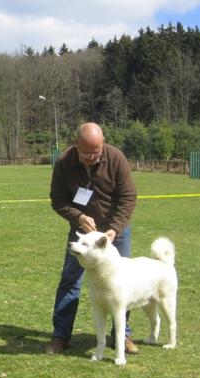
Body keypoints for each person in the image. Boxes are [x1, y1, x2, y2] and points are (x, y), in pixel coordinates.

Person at [46, 122, 138, 355]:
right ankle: (61, 335)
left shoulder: (116, 158)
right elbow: (58, 200)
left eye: (97, 152)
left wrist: (115, 229)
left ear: (103, 143)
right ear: (76, 146)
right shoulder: (65, 163)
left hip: (113, 234)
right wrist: (78, 217)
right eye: (87, 153)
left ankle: (122, 336)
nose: (92, 157)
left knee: (121, 284)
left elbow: (128, 198)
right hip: (83, 232)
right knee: (70, 280)